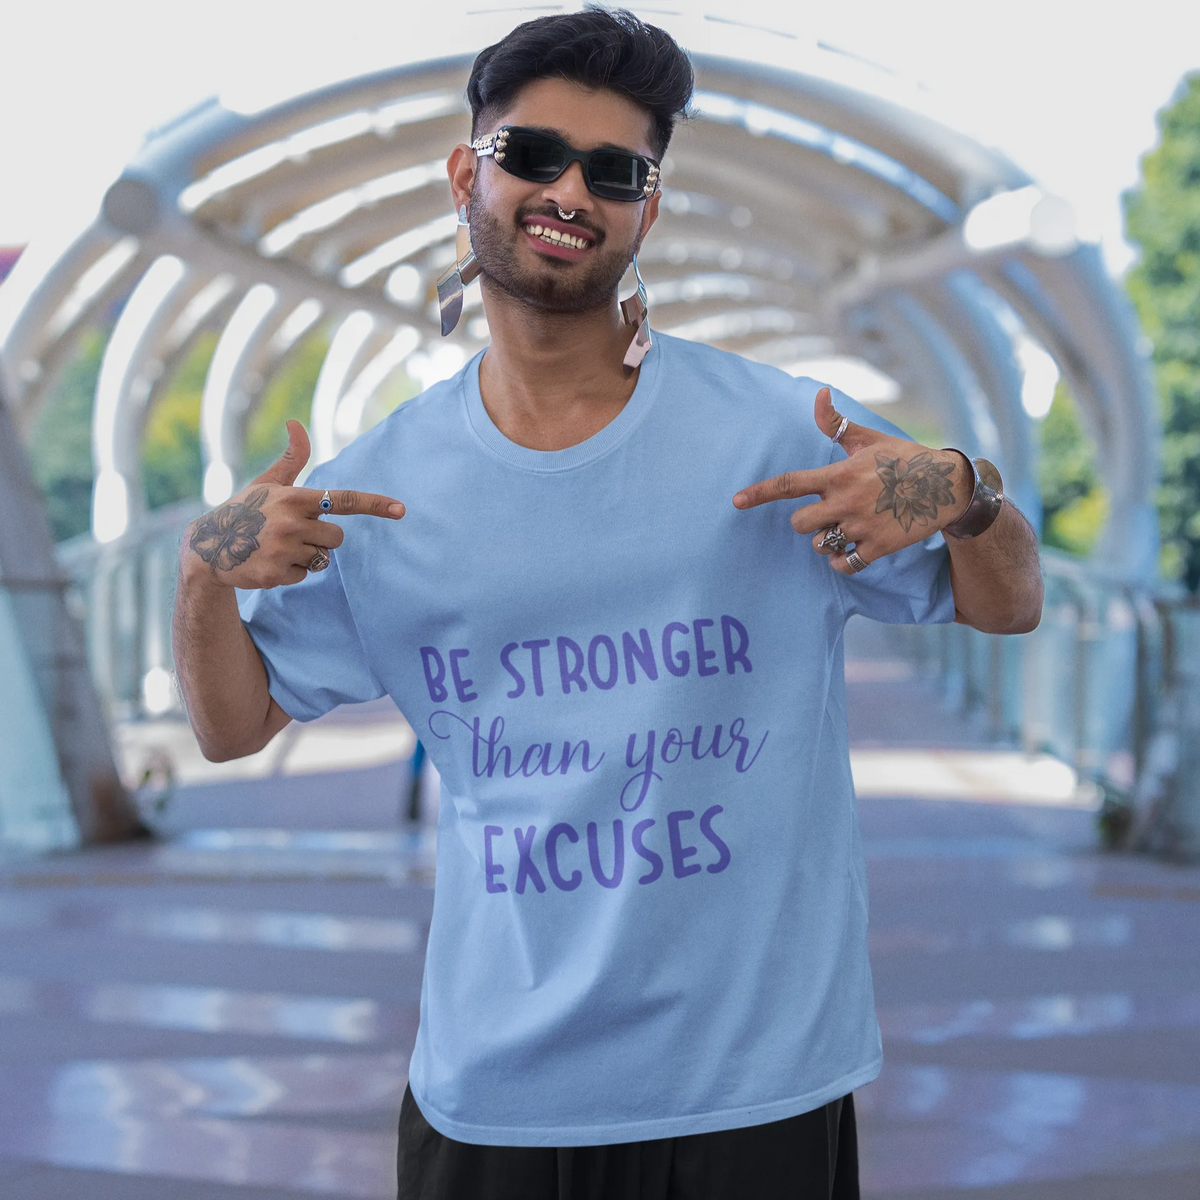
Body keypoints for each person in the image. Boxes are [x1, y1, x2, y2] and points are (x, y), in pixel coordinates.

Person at [172, 10, 1043, 1199]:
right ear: (465, 174)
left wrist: (965, 493)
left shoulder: (787, 431)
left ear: (649, 209)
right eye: (532, 153)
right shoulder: (386, 486)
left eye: (615, 170)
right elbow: (230, 726)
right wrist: (202, 568)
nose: (569, 189)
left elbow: (1009, 606)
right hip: (494, 1100)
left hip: (758, 1091)